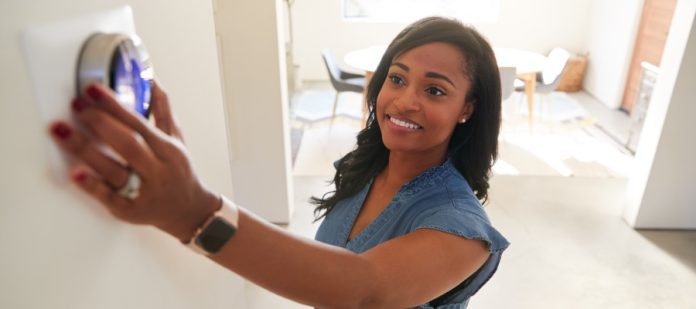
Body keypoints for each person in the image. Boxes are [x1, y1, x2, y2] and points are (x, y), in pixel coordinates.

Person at [49, 16, 508, 309]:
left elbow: (364, 290)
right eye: (397, 78)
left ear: (468, 108)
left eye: (434, 90)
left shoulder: (461, 229)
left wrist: (194, 211)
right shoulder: (369, 167)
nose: (404, 101)